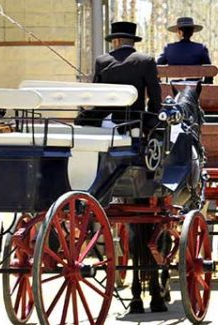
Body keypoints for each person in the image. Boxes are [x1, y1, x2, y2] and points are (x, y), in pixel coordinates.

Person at [80, 21, 166, 314]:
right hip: (135, 130)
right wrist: (153, 122)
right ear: (132, 40)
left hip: (107, 130)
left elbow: (94, 99)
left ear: (114, 40)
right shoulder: (144, 60)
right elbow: (155, 99)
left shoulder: (102, 61)